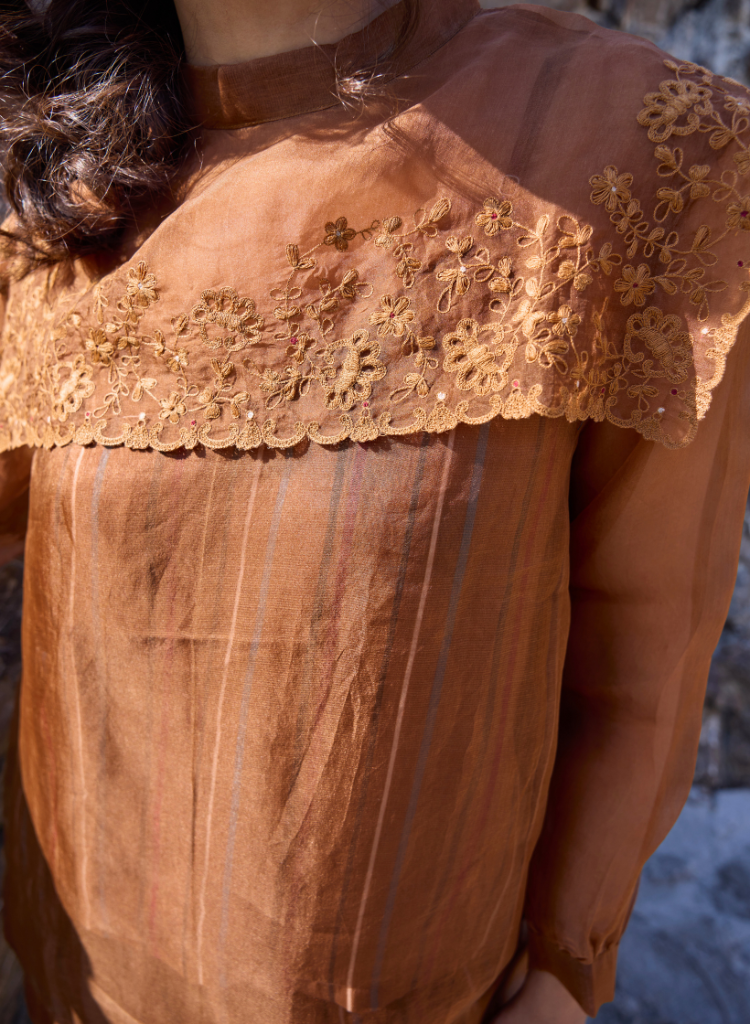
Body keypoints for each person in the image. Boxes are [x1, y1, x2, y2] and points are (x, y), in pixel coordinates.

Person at [0, 0, 748, 1021]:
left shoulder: (628, 143)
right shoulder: (59, 171)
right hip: (77, 977)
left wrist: (566, 977)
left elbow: (645, 652)